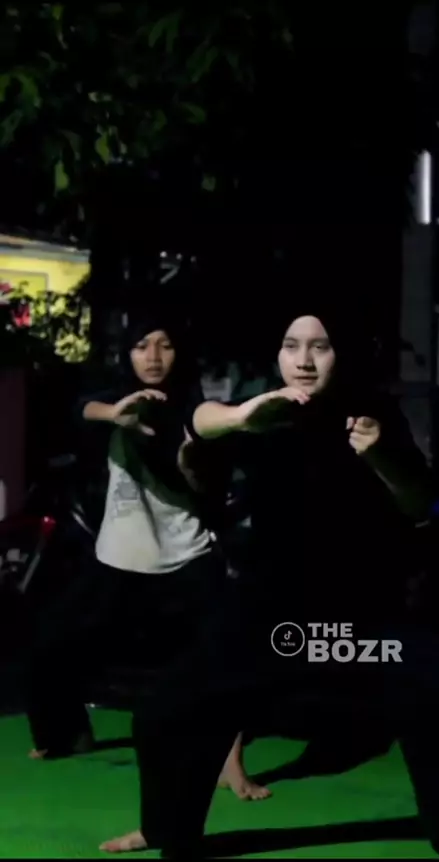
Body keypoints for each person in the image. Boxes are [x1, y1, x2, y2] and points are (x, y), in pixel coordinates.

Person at [126, 303, 439, 859]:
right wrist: (240, 419)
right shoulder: (264, 412)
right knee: (166, 708)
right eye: (292, 346)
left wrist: (382, 457)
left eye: (320, 346)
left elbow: (419, 505)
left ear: (342, 354)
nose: (304, 361)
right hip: (271, 620)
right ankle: (163, 830)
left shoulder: (372, 412)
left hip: (364, 622)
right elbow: (198, 427)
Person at [24, 303, 268, 855]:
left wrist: (229, 424)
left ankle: (230, 763)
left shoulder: (186, 404)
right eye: (141, 346)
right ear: (127, 353)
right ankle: (64, 735)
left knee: (221, 666)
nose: (153, 356)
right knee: (48, 644)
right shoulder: (115, 396)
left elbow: (204, 425)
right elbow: (80, 407)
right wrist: (115, 415)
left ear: (180, 353)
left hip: (186, 559)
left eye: (164, 344)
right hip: (117, 557)